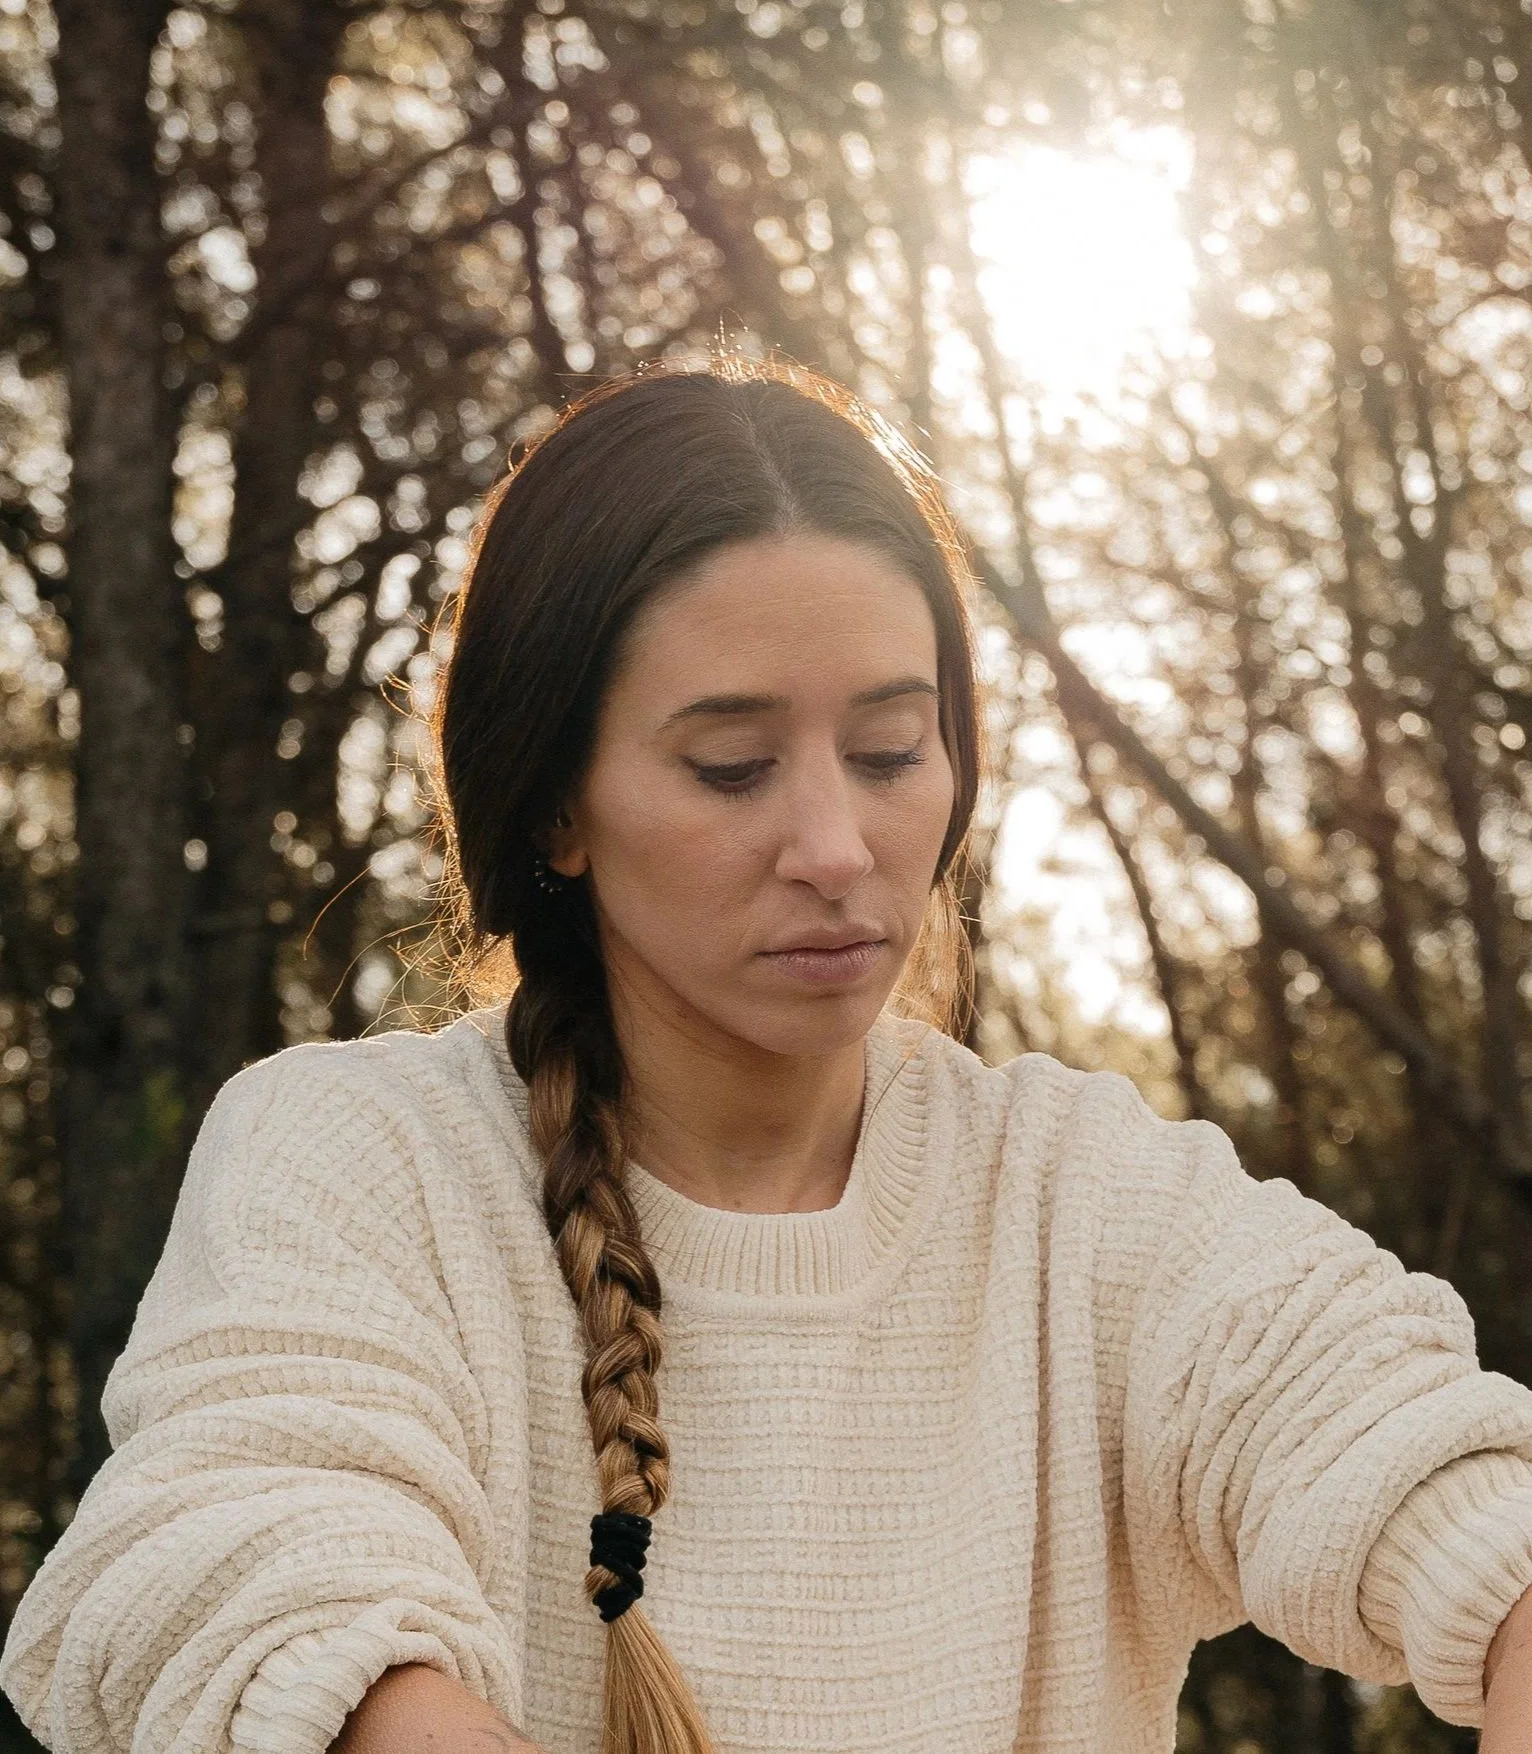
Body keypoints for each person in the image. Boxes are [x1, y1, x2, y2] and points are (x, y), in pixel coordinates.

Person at [5, 359, 1532, 1754]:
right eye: (731, 764)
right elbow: (228, 1560)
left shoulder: (1081, 1197)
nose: (836, 844)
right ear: (554, 808)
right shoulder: (360, 1157)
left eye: (888, 751)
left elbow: (1414, 1458)